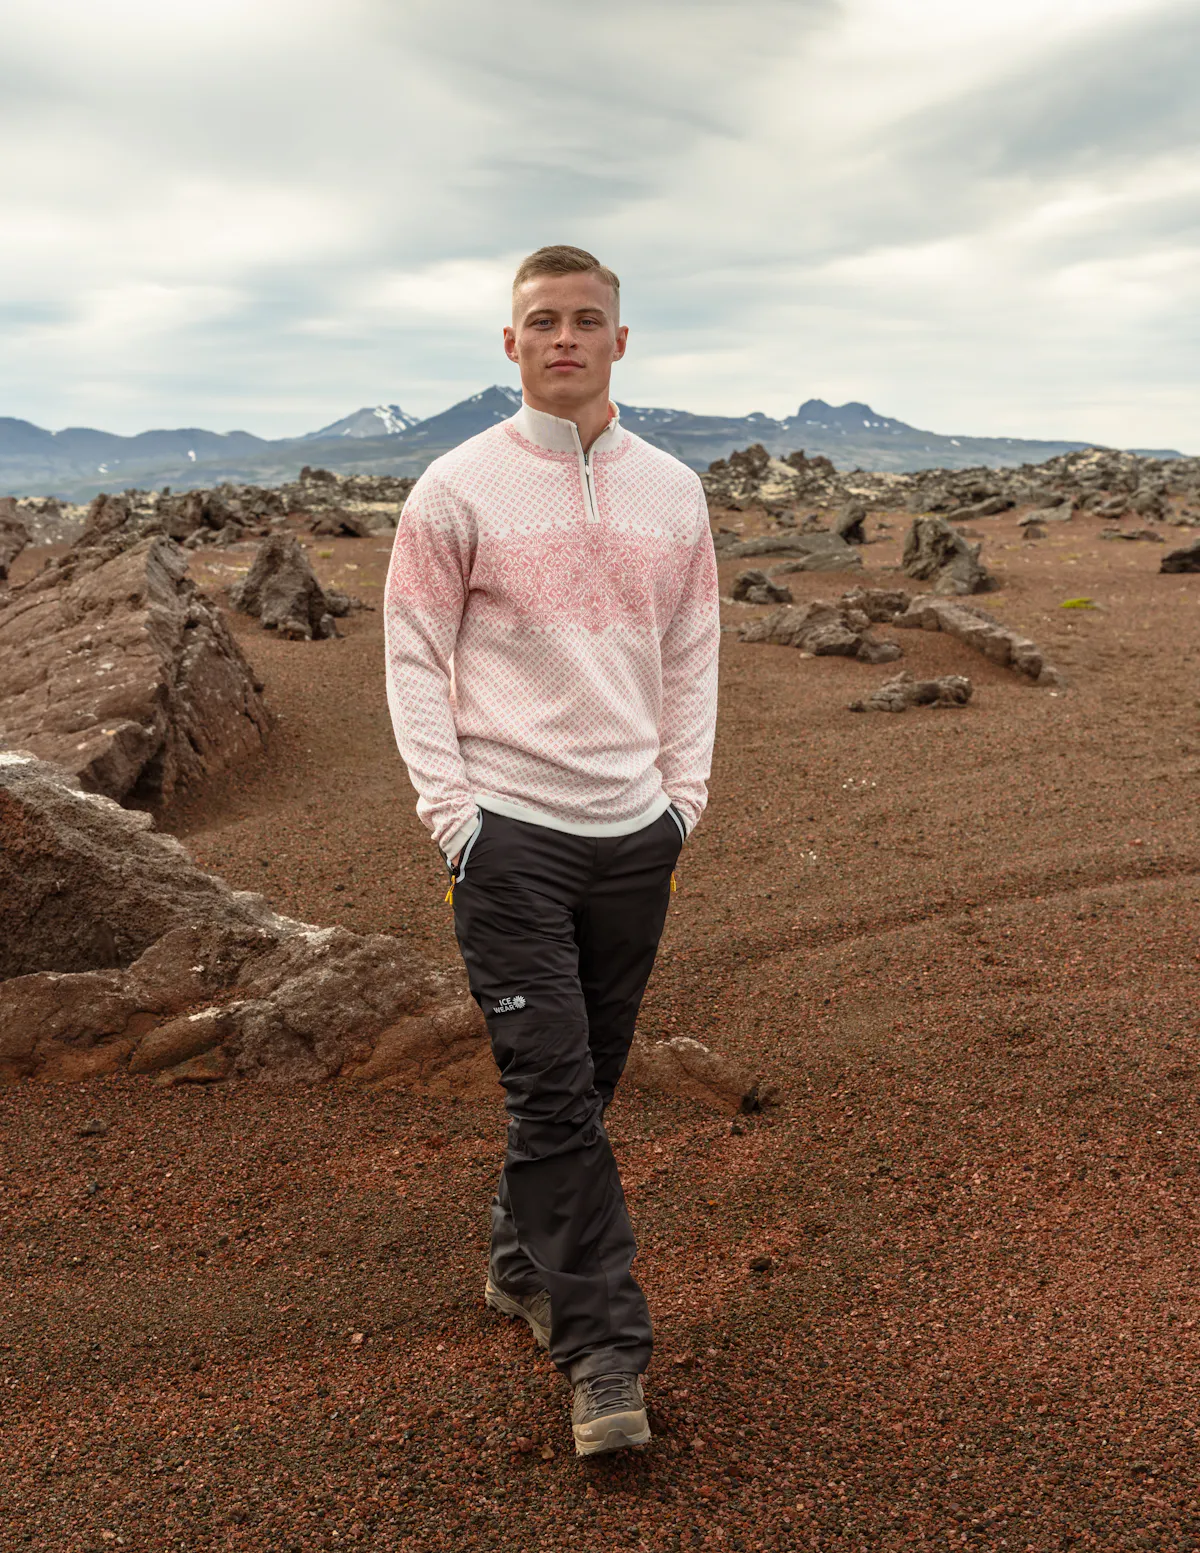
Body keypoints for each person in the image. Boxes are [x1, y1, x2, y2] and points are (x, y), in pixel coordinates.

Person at [383, 244, 720, 1456]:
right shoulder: (456, 487)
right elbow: (413, 658)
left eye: (587, 320)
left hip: (634, 837)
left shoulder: (675, 491)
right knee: (553, 1086)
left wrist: (680, 799)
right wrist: (457, 820)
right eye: (542, 321)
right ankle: (605, 1352)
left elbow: (691, 653)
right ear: (510, 343)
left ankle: (523, 1259)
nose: (564, 337)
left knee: (589, 1076)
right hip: (510, 836)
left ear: (619, 342)